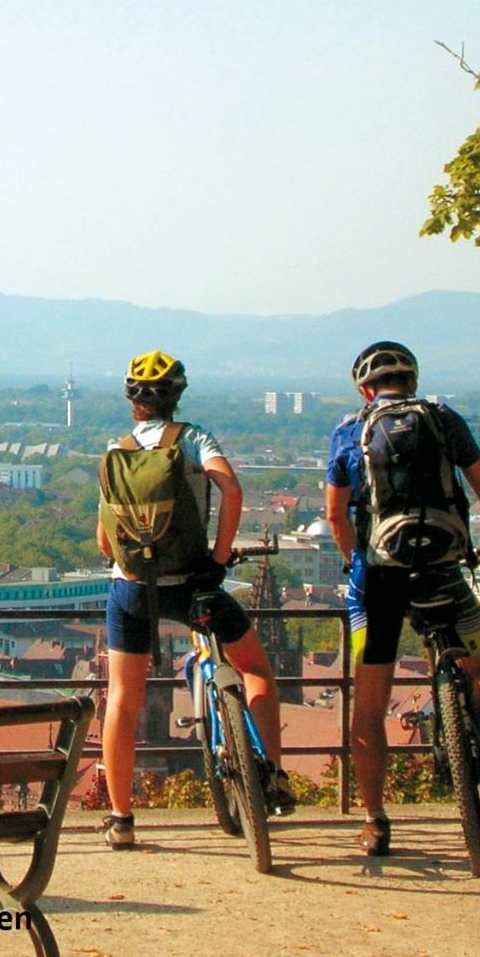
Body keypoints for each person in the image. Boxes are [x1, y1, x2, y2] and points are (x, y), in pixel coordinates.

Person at [325, 341, 480, 858]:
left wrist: (356, 563)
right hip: (441, 572)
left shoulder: (350, 431)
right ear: (412, 383)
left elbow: (335, 515)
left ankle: (374, 821)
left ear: (364, 389)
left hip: (377, 585)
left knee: (370, 705)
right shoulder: (443, 421)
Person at [96, 349, 295, 849]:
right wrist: (219, 555)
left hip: (131, 588)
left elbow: (104, 542)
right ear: (177, 395)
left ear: (132, 402)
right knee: (255, 670)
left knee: (122, 699)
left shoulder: (114, 453)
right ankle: (271, 774)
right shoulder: (194, 438)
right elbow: (231, 488)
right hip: (192, 582)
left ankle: (121, 819)